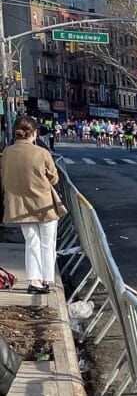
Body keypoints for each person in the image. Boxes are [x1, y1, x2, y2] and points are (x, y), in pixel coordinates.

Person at [1, 116, 65, 294]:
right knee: (47, 243)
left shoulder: (7, 152)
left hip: (20, 205)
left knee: (31, 242)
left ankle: (34, 280)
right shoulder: (41, 153)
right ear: (34, 133)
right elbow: (54, 177)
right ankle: (47, 279)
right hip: (43, 204)